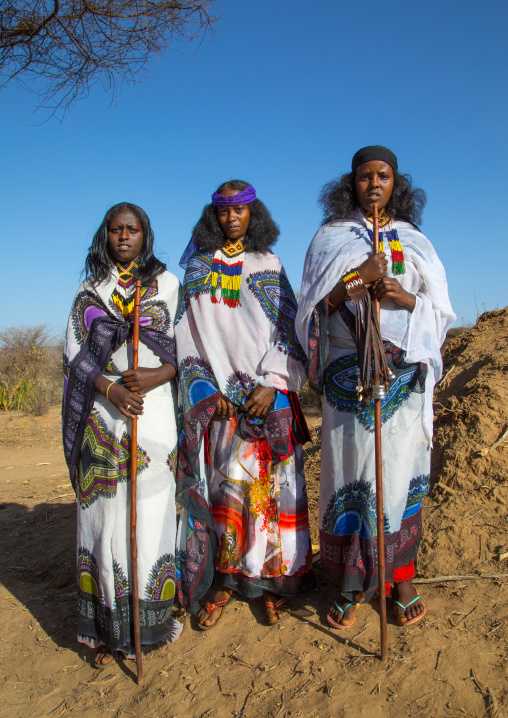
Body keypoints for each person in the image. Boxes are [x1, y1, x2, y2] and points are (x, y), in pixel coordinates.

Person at [296, 147, 455, 628]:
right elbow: (308, 312)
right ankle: (351, 583)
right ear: (352, 183)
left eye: (383, 176)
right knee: (352, 475)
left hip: (403, 378)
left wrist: (407, 299)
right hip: (348, 378)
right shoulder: (329, 239)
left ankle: (400, 577)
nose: (373, 184)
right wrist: (353, 282)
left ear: (395, 183)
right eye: (364, 177)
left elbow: (441, 310)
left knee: (398, 473)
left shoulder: (414, 239)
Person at [175, 180, 315, 628]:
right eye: (223, 211)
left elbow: (289, 326)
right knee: (226, 488)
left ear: (254, 215)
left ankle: (274, 580)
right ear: (212, 217)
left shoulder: (269, 263)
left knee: (272, 490)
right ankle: (226, 578)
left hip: (265, 399)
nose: (232, 218)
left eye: (241, 210)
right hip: (221, 403)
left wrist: (273, 382)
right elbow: (185, 334)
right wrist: (206, 390)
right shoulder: (197, 269)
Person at [62, 202, 182, 667]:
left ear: (145, 234)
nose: (124, 237)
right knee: (104, 520)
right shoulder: (90, 290)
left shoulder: (168, 285)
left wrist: (154, 378)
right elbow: (74, 354)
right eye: (116, 230)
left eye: (133, 230)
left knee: (149, 513)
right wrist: (111, 388)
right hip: (102, 416)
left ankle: (145, 626)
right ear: (105, 235)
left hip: (152, 417)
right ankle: (105, 631)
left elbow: (184, 348)